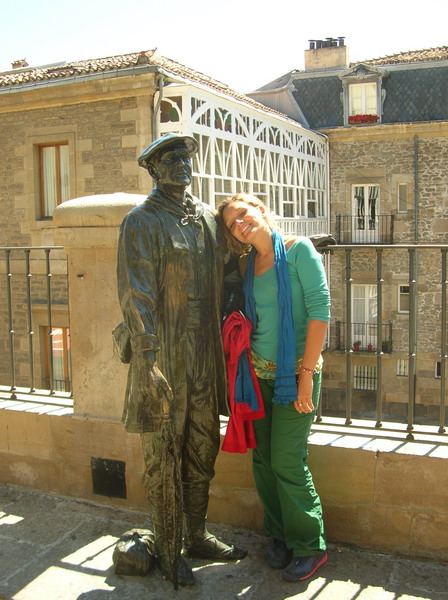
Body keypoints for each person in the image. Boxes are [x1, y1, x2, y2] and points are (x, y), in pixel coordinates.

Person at [117, 133, 246, 587]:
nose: (182, 165)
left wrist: (291, 247)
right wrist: (148, 362)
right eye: (171, 159)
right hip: (165, 352)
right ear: (154, 169)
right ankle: (169, 547)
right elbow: (136, 294)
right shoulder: (142, 221)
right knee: (164, 452)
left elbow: (238, 250)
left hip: (204, 349)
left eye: (186, 158)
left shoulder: (207, 220)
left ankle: (196, 532)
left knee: (201, 442)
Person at [217, 192, 331, 582]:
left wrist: (306, 376)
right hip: (256, 375)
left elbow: (320, 312)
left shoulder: (300, 251)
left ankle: (310, 546)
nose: (240, 224)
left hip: (294, 377)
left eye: (244, 214)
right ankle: (279, 535)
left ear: (261, 211)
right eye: (233, 223)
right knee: (263, 459)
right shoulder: (248, 263)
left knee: (286, 459)